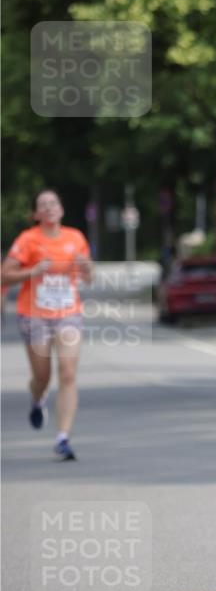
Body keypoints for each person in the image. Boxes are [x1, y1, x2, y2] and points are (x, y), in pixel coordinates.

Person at [1, 189, 93, 461]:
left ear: (61, 209)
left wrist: (86, 266)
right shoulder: (28, 240)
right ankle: (37, 397)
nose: (50, 208)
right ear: (36, 214)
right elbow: (4, 274)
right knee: (42, 376)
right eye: (43, 205)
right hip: (34, 314)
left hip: (68, 312)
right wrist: (32, 270)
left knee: (67, 374)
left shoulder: (75, 238)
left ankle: (63, 437)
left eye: (54, 203)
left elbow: (89, 278)